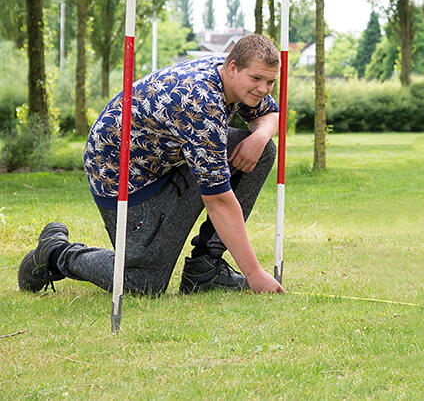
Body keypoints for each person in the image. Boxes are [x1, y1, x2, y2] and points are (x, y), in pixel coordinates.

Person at [18, 33, 286, 297]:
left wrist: (260, 137)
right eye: (256, 79)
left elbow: (272, 113)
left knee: (262, 149)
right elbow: (218, 201)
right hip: (120, 177)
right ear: (232, 68)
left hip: (162, 162)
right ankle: (56, 252)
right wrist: (254, 274)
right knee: (143, 282)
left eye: (270, 82)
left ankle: (206, 269)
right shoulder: (200, 103)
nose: (263, 89)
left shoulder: (232, 71)